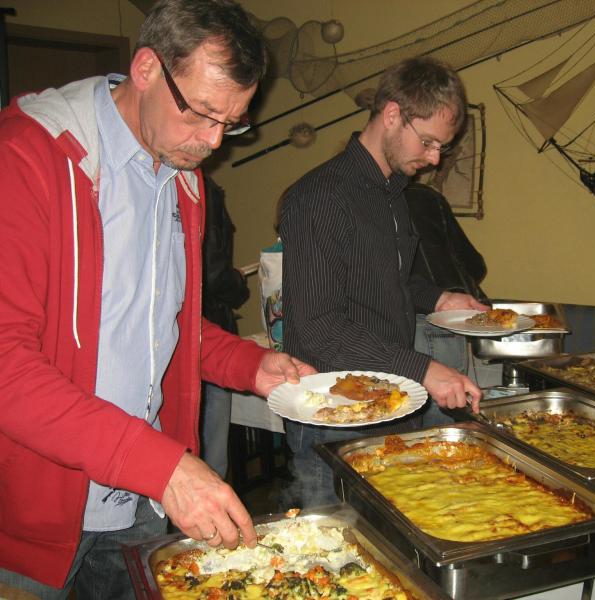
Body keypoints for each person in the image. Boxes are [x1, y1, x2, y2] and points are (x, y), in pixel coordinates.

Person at [0, 1, 314, 598]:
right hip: (28, 512)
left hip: (138, 503)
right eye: (202, 113)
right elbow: (6, 367)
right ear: (146, 68)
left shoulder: (181, 178)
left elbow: (160, 325)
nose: (213, 142)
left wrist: (249, 365)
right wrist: (164, 468)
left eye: (231, 123)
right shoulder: (23, 158)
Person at [279, 56, 488, 509]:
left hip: (391, 398)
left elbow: (391, 279)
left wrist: (439, 297)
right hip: (333, 417)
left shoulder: (393, 194)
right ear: (392, 114)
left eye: (441, 147)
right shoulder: (319, 198)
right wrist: (424, 369)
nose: (434, 159)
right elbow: (317, 328)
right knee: (335, 544)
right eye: (428, 142)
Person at [406, 181, 489, 426]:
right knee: (445, 422)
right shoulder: (427, 197)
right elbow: (475, 265)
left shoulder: (362, 199)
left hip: (401, 323)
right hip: (447, 318)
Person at [200, 175, 250, 478]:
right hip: (210, 330)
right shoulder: (204, 190)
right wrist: (238, 284)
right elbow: (213, 274)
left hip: (200, 331)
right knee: (213, 457)